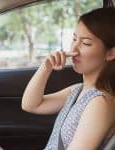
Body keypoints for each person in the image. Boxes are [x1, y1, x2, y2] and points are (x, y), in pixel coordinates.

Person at [21, 7, 115, 149]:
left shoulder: (100, 103)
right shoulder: (77, 90)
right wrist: (45, 68)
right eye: (74, 39)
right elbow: (31, 105)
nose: (74, 49)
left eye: (86, 43)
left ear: (111, 53)